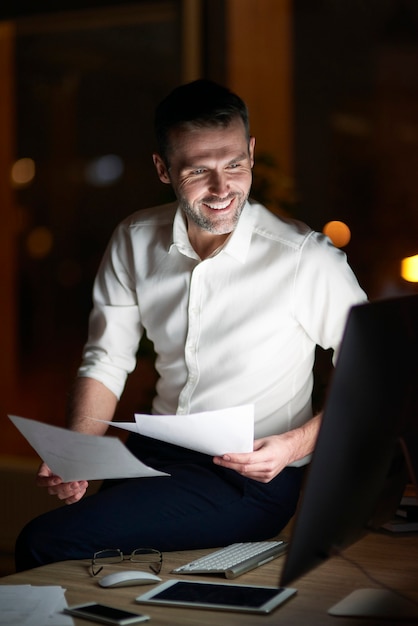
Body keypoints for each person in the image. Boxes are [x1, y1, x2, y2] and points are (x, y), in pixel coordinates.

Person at [15, 79, 367, 572]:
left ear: (251, 152)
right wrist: (79, 449)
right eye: (199, 170)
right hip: (152, 452)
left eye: (234, 165)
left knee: (44, 541)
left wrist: (295, 445)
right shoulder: (133, 239)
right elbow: (107, 359)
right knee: (103, 567)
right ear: (162, 168)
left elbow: (376, 375)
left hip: (252, 475)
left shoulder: (306, 260)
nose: (223, 190)